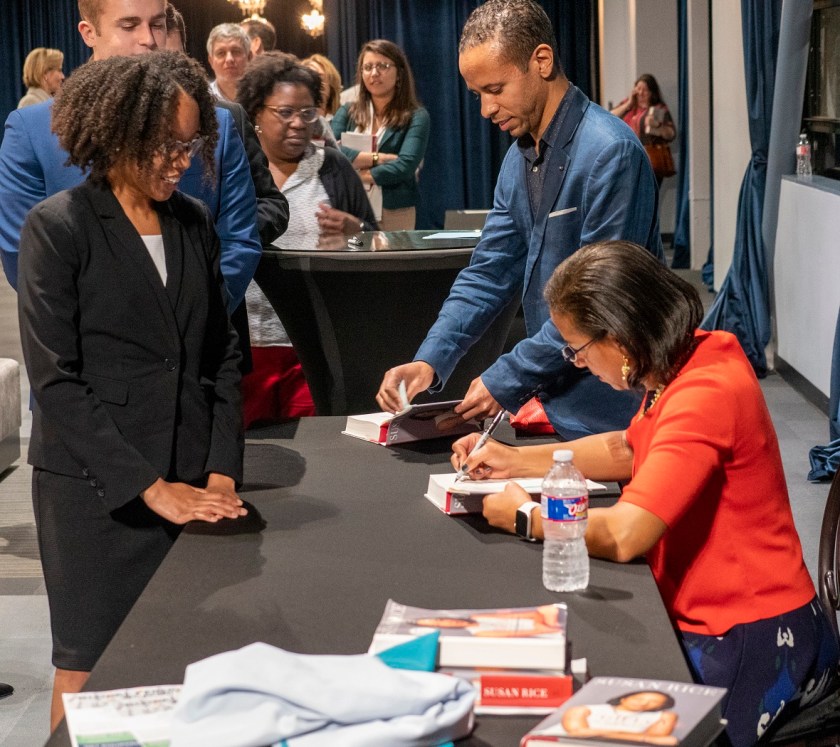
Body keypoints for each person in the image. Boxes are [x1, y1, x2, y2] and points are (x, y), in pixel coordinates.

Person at [450, 240, 840, 746]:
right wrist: (514, 458)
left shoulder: (705, 392)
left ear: (618, 335)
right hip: (723, 611)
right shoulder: (692, 357)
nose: (579, 363)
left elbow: (628, 533)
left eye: (579, 349)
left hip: (751, 629)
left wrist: (525, 515)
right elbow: (630, 447)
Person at [17, 50, 247, 731]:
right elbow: (56, 380)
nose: (178, 161)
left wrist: (223, 469)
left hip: (190, 478)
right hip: (94, 493)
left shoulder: (194, 223)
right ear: (114, 132)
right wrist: (149, 486)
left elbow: (220, 355)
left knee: (175, 659)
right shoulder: (58, 228)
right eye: (161, 146)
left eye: (189, 145)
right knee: (88, 663)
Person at [376, 0, 663, 440]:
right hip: (556, 399)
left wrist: (507, 377)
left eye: (495, 89)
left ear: (541, 61)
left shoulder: (611, 152)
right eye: (477, 95)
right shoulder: (517, 158)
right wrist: (430, 360)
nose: (485, 110)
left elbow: (598, 303)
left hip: (617, 406)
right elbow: (489, 271)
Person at [0, 0, 263, 315]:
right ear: (88, 33)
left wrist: (193, 323)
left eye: (157, 24)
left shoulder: (214, 124)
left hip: (202, 345)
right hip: (89, 351)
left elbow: (238, 242)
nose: (149, 39)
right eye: (128, 25)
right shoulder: (32, 131)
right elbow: (26, 259)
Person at [236, 53, 377, 426]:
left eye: (307, 112)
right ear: (255, 115)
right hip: (244, 347)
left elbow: (378, 242)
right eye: (285, 113)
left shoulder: (333, 167)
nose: (298, 123)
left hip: (311, 346)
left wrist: (356, 232)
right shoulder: (233, 171)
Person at [330, 39, 430, 231]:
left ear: (399, 73)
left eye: (382, 66)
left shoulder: (417, 116)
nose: (374, 73)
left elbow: (405, 166)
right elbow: (331, 150)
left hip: (395, 210)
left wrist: (356, 174)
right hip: (351, 207)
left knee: (392, 261)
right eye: (367, 67)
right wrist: (378, 158)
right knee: (354, 260)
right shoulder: (347, 111)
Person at [610, 74, 676, 186]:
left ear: (652, 92)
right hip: (627, 158)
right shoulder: (629, 105)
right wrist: (628, 104)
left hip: (649, 161)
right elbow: (609, 117)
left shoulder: (658, 109)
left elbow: (671, 134)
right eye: (638, 89)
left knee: (646, 195)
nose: (640, 93)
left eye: (645, 90)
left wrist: (657, 126)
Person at [558, 691, 677, 745]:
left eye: (653, 702)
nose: (644, 703)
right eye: (639, 698)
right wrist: (640, 737)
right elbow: (576, 733)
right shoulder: (584, 709)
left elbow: (661, 740)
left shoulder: (664, 716)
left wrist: (594, 732)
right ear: (624, 698)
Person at [207, 22, 252, 102]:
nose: (229, 59)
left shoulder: (263, 96)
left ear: (249, 57)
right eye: (221, 53)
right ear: (211, 61)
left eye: (236, 51)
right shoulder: (202, 99)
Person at [303, 53, 342, 120]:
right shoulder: (296, 120)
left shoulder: (344, 118)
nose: (315, 83)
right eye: (310, 76)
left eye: (320, 77)